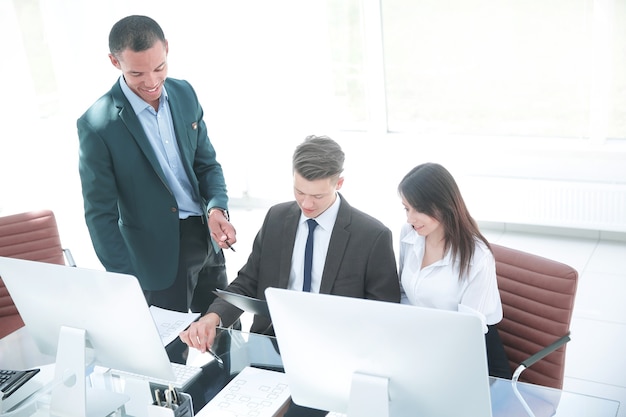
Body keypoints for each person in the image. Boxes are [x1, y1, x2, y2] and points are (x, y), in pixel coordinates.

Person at [180, 135, 400, 417]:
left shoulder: (372, 236)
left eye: (317, 196)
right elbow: (248, 281)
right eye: (299, 191)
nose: (306, 204)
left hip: (331, 362)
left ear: (339, 183)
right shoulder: (277, 218)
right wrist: (213, 317)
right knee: (194, 395)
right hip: (268, 349)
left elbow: (383, 317)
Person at [77, 15, 236, 315]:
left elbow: (207, 165)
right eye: (137, 73)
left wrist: (217, 208)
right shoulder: (97, 125)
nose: (151, 82)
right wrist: (126, 279)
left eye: (159, 68)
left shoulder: (185, 93)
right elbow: (100, 214)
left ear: (166, 48)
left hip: (206, 239)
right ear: (114, 61)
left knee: (225, 333)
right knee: (170, 352)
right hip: (155, 260)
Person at [397, 162, 512, 379]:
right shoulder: (409, 235)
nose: (410, 219)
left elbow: (468, 333)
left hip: (467, 357)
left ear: (443, 206)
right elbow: (403, 293)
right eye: (406, 208)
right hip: (421, 344)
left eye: (418, 209)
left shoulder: (477, 257)